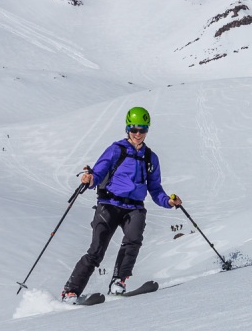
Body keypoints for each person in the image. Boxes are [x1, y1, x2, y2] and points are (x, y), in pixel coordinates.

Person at [62, 106, 182, 300]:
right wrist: (89, 179)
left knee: (133, 240)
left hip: (134, 207)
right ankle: (71, 291)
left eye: (142, 129)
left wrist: (168, 201)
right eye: (134, 129)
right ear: (127, 128)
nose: (138, 134)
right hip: (109, 204)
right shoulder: (115, 150)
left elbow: (155, 188)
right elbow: (98, 172)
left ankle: (119, 280)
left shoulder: (150, 158)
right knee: (96, 251)